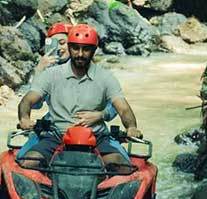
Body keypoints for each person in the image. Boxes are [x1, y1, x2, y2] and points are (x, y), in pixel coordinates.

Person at [17, 24, 142, 171]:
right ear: (70, 48)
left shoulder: (106, 77)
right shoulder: (51, 74)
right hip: (56, 134)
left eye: (86, 49)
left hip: (97, 136)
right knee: (28, 163)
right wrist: (24, 118)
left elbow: (122, 107)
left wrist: (132, 127)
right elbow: (28, 100)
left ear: (94, 50)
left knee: (124, 168)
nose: (80, 54)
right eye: (75, 48)